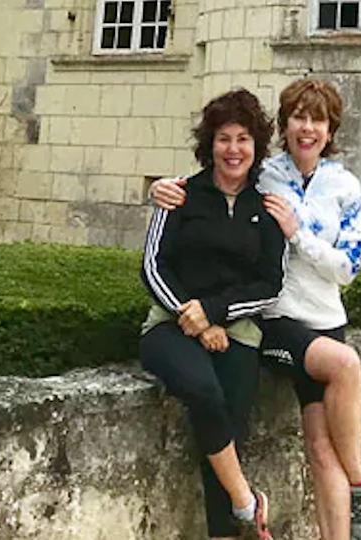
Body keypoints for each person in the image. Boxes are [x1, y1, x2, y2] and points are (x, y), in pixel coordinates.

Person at [151, 78, 361, 540]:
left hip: (325, 321)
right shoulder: (267, 174)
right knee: (345, 364)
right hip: (278, 322)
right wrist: (161, 187)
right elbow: (217, 178)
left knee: (321, 446)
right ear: (284, 125)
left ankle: (349, 510)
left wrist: (299, 234)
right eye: (299, 117)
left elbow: (348, 268)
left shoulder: (344, 185)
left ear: (330, 128)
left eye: (317, 119)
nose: (307, 128)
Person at [139, 88, 285, 540]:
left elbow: (269, 284)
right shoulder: (180, 195)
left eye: (243, 139)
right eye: (224, 138)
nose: (234, 149)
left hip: (237, 330)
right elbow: (151, 265)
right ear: (210, 144)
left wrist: (216, 314)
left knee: (228, 430)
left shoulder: (265, 209)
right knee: (202, 391)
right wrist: (194, 317)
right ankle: (245, 501)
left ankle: (224, 530)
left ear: (256, 146)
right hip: (169, 325)